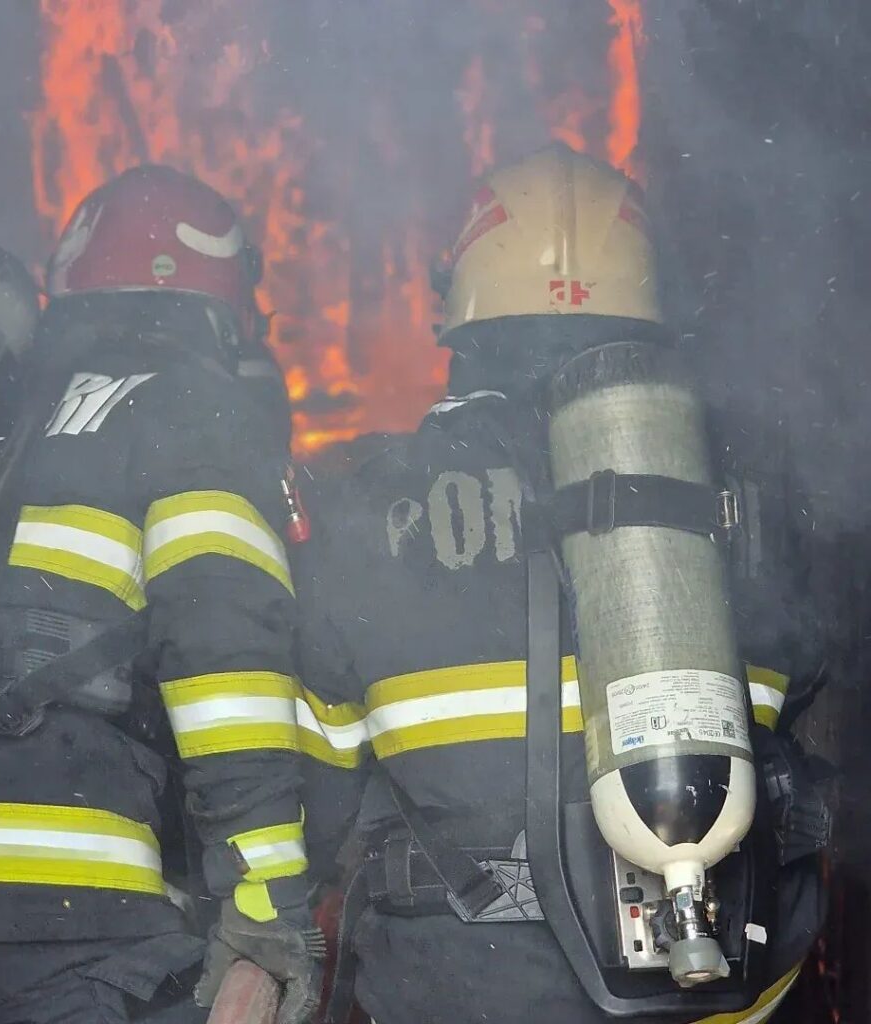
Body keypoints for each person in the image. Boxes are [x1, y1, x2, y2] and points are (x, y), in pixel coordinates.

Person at [293, 144, 826, 1024]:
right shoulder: (741, 498)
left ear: (460, 316)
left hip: (462, 986)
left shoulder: (370, 502)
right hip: (716, 985)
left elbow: (317, 782)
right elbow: (801, 679)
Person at [0, 165, 322, 1024]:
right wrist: (268, 904)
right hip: (53, 909)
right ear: (216, 296)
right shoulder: (191, 407)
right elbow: (227, 656)